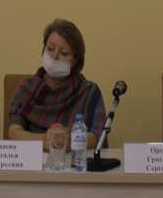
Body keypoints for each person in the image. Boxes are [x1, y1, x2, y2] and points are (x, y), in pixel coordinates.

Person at [7, 19, 106, 151]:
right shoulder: (27, 87)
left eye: (64, 53)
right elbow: (14, 132)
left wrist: (70, 140)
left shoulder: (89, 92)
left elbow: (98, 137)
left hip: (74, 161)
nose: (54, 56)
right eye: (50, 49)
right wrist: (44, 140)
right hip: (33, 160)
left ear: (76, 60)